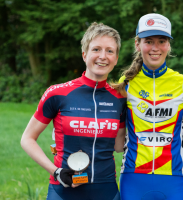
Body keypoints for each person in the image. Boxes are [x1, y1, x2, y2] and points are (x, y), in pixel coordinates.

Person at [20, 22, 126, 200]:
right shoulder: (58, 93)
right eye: (96, 49)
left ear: (116, 58)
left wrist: (172, 129)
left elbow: (119, 146)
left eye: (109, 51)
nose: (103, 56)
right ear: (84, 54)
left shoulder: (121, 98)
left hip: (106, 189)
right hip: (63, 189)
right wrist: (56, 172)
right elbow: (27, 139)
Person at [112, 13, 183, 200]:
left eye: (162, 41)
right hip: (133, 177)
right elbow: (120, 128)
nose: (155, 48)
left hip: (174, 178)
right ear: (137, 44)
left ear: (169, 45)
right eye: (148, 41)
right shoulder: (126, 83)